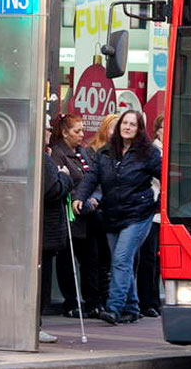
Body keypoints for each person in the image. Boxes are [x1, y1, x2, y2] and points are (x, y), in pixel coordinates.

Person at [73, 110, 161, 325]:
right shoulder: (105, 152)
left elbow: (167, 178)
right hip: (112, 214)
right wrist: (80, 197)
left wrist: (158, 205)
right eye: (125, 123)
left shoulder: (148, 153)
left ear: (139, 129)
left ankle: (114, 308)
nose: (128, 127)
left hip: (139, 213)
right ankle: (132, 308)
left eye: (133, 124)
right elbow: (92, 177)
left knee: (121, 259)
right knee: (122, 261)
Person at [50, 113, 104, 319]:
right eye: (77, 131)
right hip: (70, 217)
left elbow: (95, 177)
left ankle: (93, 302)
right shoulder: (58, 154)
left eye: (82, 130)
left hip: (90, 216)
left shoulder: (84, 152)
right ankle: (71, 302)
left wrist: (95, 198)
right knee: (67, 262)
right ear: (65, 133)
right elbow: (63, 182)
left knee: (91, 261)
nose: (82, 134)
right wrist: (78, 200)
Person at [40, 123, 73, 343]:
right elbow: (53, 190)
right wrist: (65, 176)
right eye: (47, 128)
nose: (50, 131)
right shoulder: (44, 158)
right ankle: (35, 325)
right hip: (45, 231)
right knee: (41, 280)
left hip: (44, 231)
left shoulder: (45, 155)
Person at [85, 113, 119, 309]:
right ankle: (95, 300)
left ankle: (107, 299)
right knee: (94, 258)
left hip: (112, 210)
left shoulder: (123, 153)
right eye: (113, 127)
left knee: (109, 258)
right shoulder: (94, 151)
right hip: (96, 210)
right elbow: (92, 179)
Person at [136, 114, 163, 317]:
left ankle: (154, 300)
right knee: (149, 258)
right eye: (161, 127)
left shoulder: (167, 150)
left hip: (163, 213)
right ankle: (148, 301)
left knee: (158, 260)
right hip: (151, 210)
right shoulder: (154, 151)